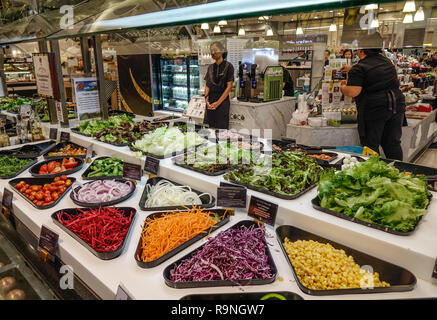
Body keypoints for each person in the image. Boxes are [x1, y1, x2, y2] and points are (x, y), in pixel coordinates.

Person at [340, 48, 406, 160]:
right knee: (392, 142)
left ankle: (374, 173)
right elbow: (374, 71)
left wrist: (342, 88)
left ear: (361, 51)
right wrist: (351, 69)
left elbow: (353, 92)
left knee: (371, 144)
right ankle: (399, 172)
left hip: (375, 108)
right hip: (396, 105)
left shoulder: (359, 67)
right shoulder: (386, 61)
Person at [204, 41, 234, 129]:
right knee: (211, 131)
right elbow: (207, 85)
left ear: (221, 51)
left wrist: (217, 103)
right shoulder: (210, 67)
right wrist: (206, 100)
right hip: (210, 102)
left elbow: (229, 87)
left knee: (222, 132)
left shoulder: (229, 66)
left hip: (222, 102)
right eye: (211, 50)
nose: (212, 53)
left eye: (215, 50)